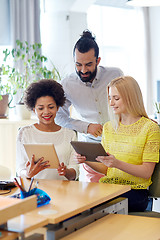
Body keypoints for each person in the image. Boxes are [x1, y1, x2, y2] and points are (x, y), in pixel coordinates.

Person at [76, 76, 160, 212]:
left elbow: (146, 172)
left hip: (135, 193)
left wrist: (117, 163)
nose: (111, 103)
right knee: (79, 199)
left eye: (116, 98)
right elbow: (106, 169)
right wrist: (86, 160)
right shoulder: (109, 127)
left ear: (131, 98)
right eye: (109, 98)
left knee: (91, 206)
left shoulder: (150, 128)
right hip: (109, 188)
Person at [55, 30, 123, 143]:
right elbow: (59, 117)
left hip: (121, 139)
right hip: (92, 141)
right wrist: (86, 126)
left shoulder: (115, 75)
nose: (83, 70)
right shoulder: (67, 84)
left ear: (98, 61)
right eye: (78, 64)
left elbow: (130, 102)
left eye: (89, 64)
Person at [16, 79, 79, 180]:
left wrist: (65, 171)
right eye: (40, 108)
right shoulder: (25, 133)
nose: (46, 112)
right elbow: (20, 169)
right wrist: (28, 173)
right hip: (34, 190)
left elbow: (75, 173)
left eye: (51, 107)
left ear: (58, 107)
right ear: (34, 109)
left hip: (63, 191)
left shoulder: (70, 135)